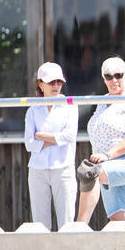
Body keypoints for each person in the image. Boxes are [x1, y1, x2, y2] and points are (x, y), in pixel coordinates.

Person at [76, 57, 125, 226]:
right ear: (104, 78)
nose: (114, 80)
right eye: (109, 76)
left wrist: (107, 155)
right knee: (118, 221)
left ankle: (79, 226)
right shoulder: (103, 101)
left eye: (118, 75)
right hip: (108, 164)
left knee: (89, 173)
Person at [24, 62, 79, 230]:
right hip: (37, 170)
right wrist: (56, 137)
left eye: (59, 81)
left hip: (63, 168)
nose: (56, 85)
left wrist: (41, 136)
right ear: (40, 84)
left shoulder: (70, 106)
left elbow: (70, 136)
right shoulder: (32, 110)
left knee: (67, 224)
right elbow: (29, 144)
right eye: (51, 82)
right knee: (40, 225)